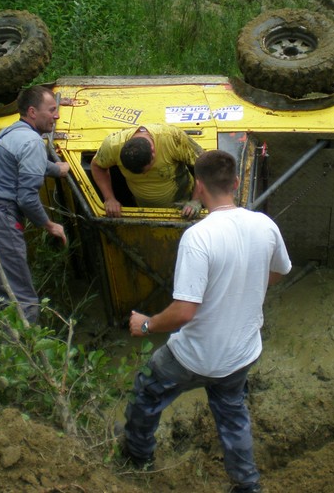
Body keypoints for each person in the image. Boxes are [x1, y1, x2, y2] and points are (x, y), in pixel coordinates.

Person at [120, 149, 292, 493]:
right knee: (232, 415)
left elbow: (184, 311)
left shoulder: (198, 237)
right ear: (236, 183)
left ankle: (136, 458)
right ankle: (246, 484)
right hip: (241, 353)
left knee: (146, 392)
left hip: (194, 356)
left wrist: (147, 324)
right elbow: (278, 273)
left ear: (198, 186)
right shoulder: (265, 225)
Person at [0, 85, 69, 324]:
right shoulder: (32, 141)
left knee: (3, 300)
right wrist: (49, 225)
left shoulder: (9, 132)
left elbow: (25, 162)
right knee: (22, 303)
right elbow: (27, 198)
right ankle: (27, 347)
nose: (56, 116)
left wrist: (56, 169)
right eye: (51, 110)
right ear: (32, 112)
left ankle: (0, 345)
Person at [90, 124, 203, 218]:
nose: (144, 175)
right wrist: (109, 198)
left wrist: (196, 200)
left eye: (145, 170)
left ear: (153, 152)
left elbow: (204, 165)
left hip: (184, 206)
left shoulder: (173, 139)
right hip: (142, 210)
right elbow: (97, 166)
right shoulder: (113, 145)